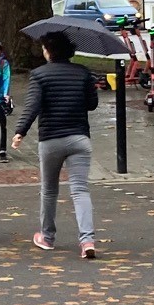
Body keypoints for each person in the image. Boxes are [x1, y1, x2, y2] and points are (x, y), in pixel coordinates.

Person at [10, 33, 102, 257]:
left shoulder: (39, 75)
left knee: (49, 190)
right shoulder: (83, 72)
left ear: (49, 51)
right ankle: (87, 241)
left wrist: (20, 132)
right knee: (80, 190)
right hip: (79, 138)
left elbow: (32, 106)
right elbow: (92, 104)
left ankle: (47, 237)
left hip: (51, 139)